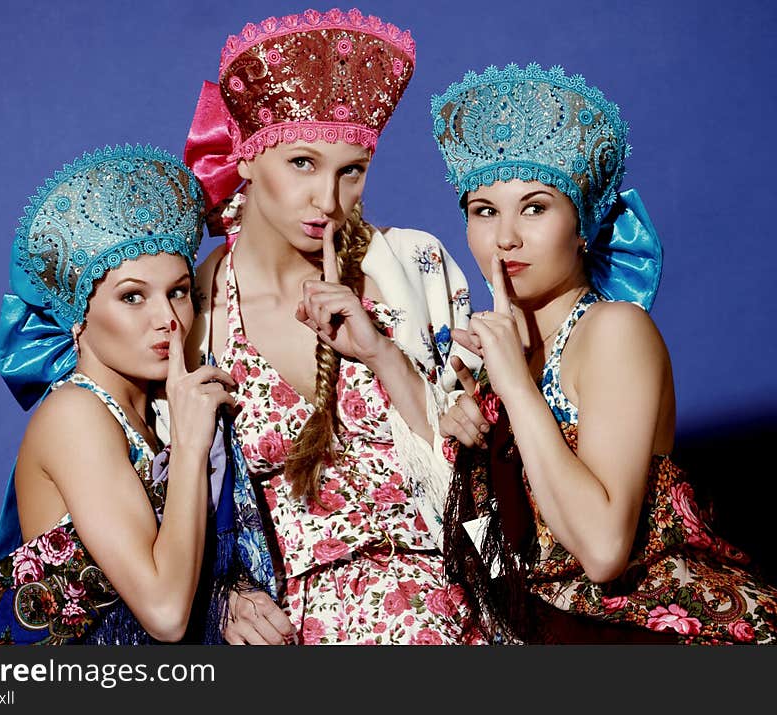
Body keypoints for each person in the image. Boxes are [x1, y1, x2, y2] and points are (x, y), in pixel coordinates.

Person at [431, 62, 777, 644]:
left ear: (583, 225)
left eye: (535, 207)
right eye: (484, 211)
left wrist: (515, 390)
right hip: (538, 630)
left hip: (650, 629)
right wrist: (455, 432)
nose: (505, 237)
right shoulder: (488, 356)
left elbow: (604, 551)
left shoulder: (614, 329)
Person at [181, 8, 485, 645]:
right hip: (300, 629)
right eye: (302, 164)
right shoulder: (194, 314)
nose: (329, 199)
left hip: (454, 607)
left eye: (351, 169)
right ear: (246, 158)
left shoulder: (413, 266)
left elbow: (474, 481)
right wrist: (224, 594)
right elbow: (172, 498)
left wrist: (381, 353)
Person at [0, 145, 233, 644]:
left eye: (180, 290)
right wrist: (190, 446)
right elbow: (165, 613)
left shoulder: (157, 416)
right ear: (78, 317)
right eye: (132, 296)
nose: (167, 319)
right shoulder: (75, 414)